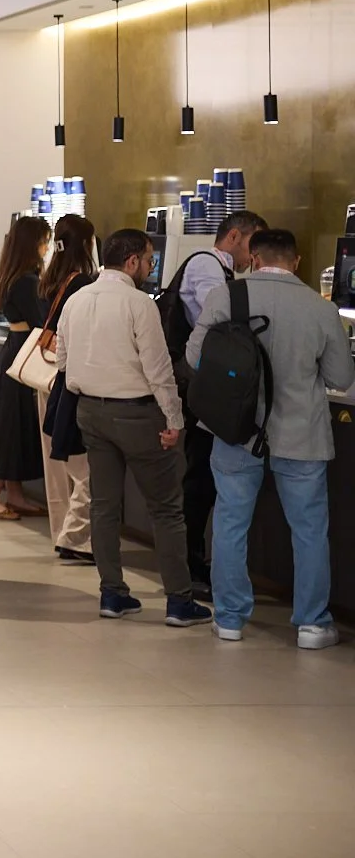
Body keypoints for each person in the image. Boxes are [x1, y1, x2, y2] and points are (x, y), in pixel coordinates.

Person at [189, 228, 355, 647]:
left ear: (255, 258)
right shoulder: (321, 309)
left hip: (236, 430)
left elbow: (195, 357)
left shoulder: (228, 297)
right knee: (309, 529)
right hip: (301, 433)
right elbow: (341, 377)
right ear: (296, 262)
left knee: (230, 522)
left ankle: (229, 618)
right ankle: (313, 623)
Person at [57, 229, 210, 627]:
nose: (150, 266)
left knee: (104, 506)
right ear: (131, 262)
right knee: (165, 508)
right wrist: (175, 420)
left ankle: (112, 594)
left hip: (90, 412)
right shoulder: (140, 305)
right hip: (139, 416)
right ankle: (179, 600)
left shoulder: (76, 299)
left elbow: (62, 360)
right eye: (148, 259)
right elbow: (159, 371)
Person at [170, 210, 267, 593]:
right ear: (234, 237)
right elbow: (221, 325)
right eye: (251, 243)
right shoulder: (209, 268)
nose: (252, 254)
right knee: (200, 480)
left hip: (207, 387)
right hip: (205, 390)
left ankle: (195, 562)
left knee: (203, 478)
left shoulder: (216, 270)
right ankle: (190, 566)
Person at [0, 216, 54, 520]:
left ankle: (14, 494)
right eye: (44, 241)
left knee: (14, 424)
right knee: (9, 426)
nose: (47, 247)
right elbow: (42, 321)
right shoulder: (28, 281)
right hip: (24, 352)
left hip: (14, 350)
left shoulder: (13, 276)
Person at [37, 216, 99, 562]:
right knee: (84, 470)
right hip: (69, 380)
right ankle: (74, 537)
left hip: (47, 381)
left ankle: (64, 532)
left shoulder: (52, 279)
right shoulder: (83, 283)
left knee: (59, 471)